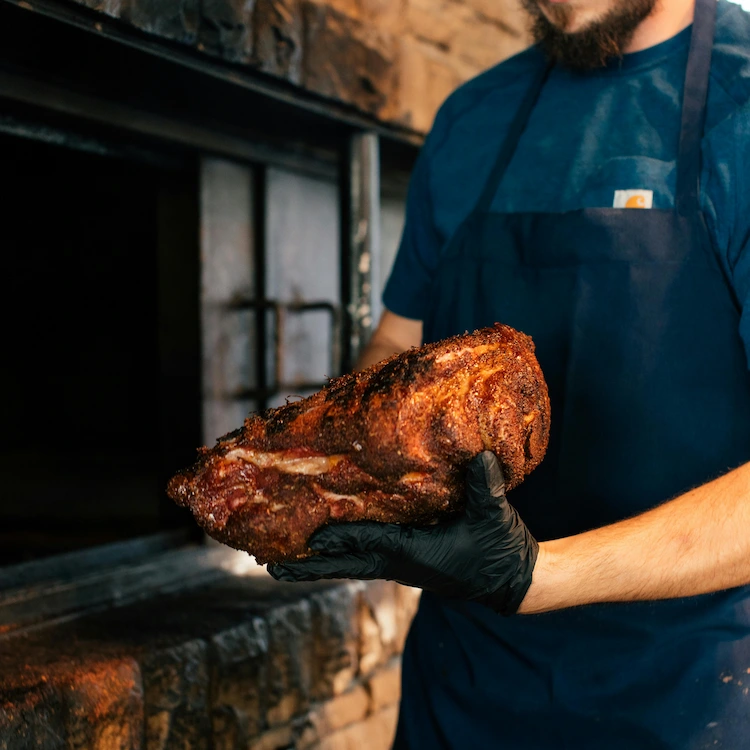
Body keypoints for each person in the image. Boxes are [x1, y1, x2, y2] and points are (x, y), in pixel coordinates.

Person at [269, 0, 750, 746]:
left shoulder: (741, 105)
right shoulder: (474, 117)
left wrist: (535, 574)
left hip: (684, 696)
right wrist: (328, 478)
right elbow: (393, 350)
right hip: (464, 689)